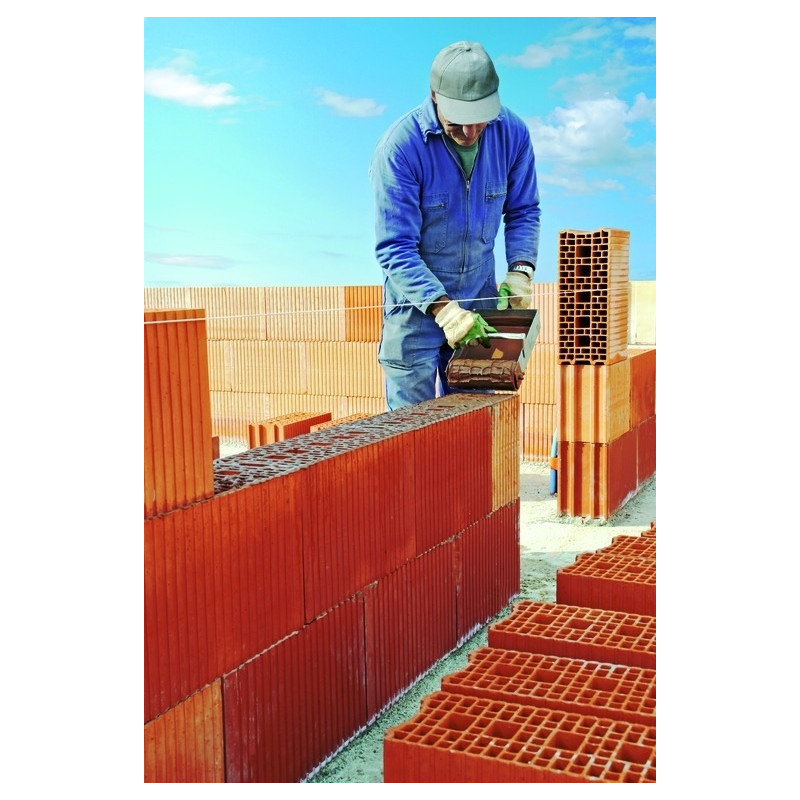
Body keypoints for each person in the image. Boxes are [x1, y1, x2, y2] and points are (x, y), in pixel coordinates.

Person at [369, 40, 541, 410]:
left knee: (471, 430)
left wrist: (520, 271)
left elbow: (524, 209)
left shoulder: (512, 134)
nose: (471, 131)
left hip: (479, 301)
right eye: (458, 122)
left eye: (481, 119)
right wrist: (444, 309)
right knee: (410, 434)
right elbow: (395, 248)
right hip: (415, 310)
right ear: (435, 97)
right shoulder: (401, 148)